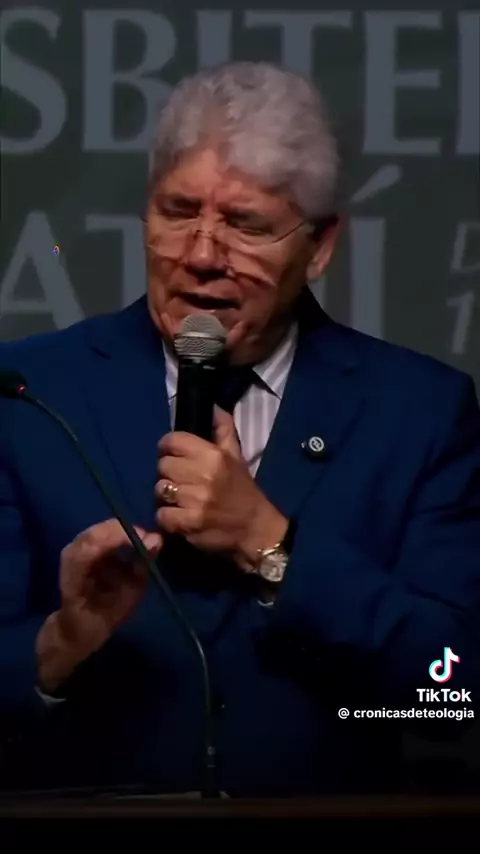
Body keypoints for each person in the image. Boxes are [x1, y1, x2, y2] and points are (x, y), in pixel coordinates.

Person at [0, 61, 479, 798]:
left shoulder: (419, 411)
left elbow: (453, 692)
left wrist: (271, 547)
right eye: (177, 211)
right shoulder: (27, 394)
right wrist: (57, 647)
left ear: (320, 246)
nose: (200, 256)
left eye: (246, 224)